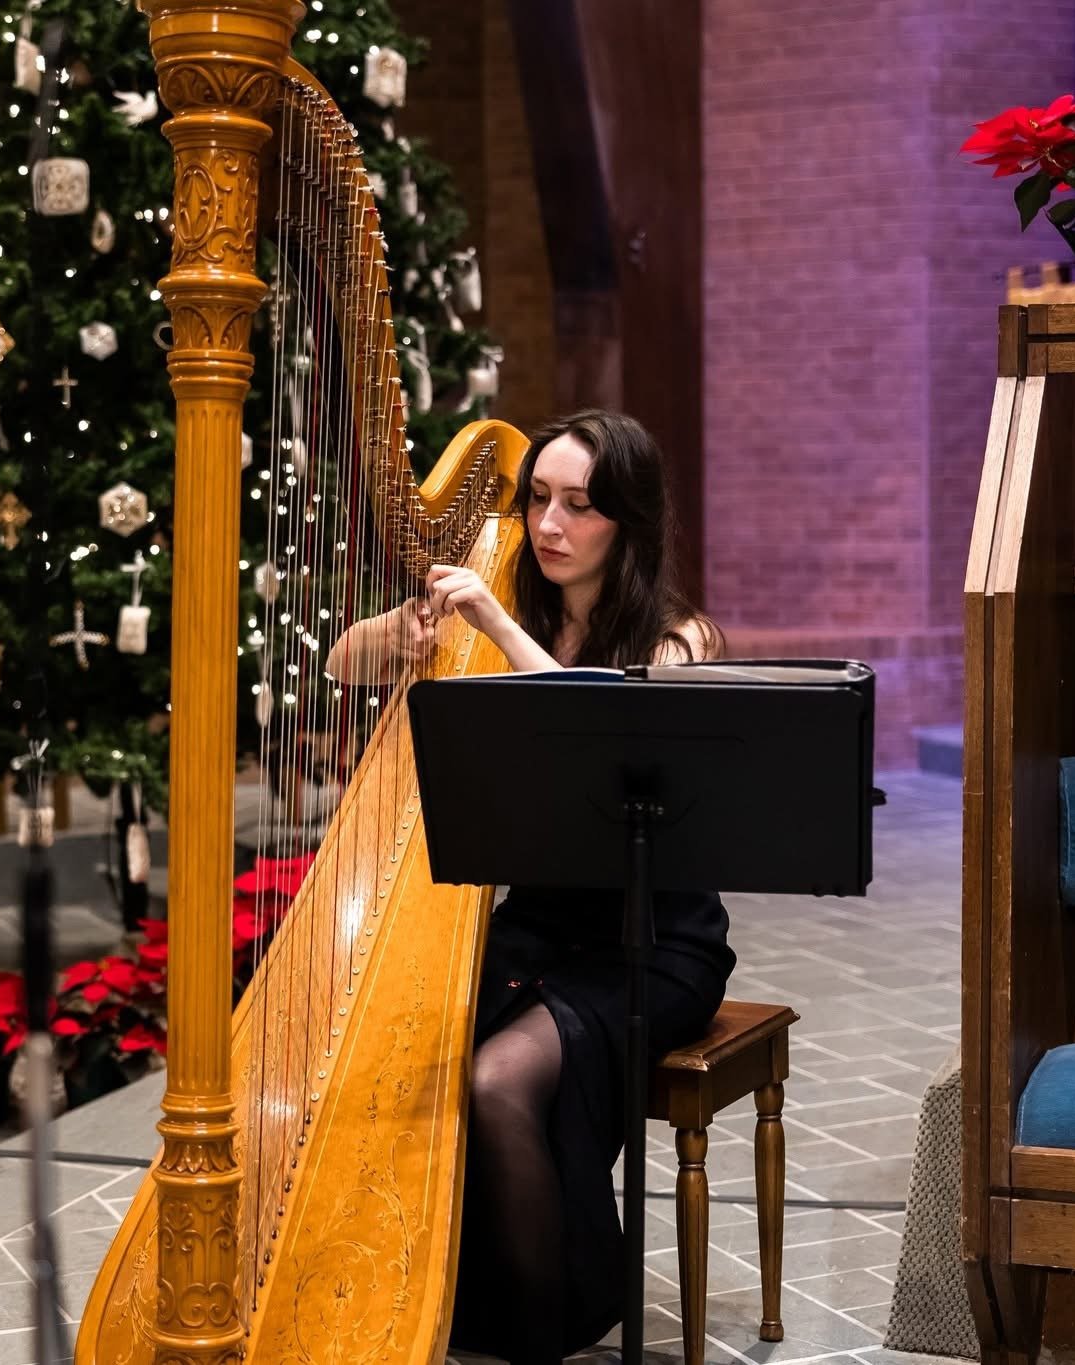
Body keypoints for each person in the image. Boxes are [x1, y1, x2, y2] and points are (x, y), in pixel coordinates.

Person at [325, 409, 737, 1365]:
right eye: (537, 499)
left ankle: (543, 1325)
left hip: (652, 940)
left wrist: (498, 624)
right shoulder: (506, 609)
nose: (548, 525)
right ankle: (421, 1290)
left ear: (626, 520)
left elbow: (587, 747)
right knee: (399, 1043)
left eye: (578, 506)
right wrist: (408, 624)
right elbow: (346, 662)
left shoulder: (678, 641)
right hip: (543, 929)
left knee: (496, 1076)